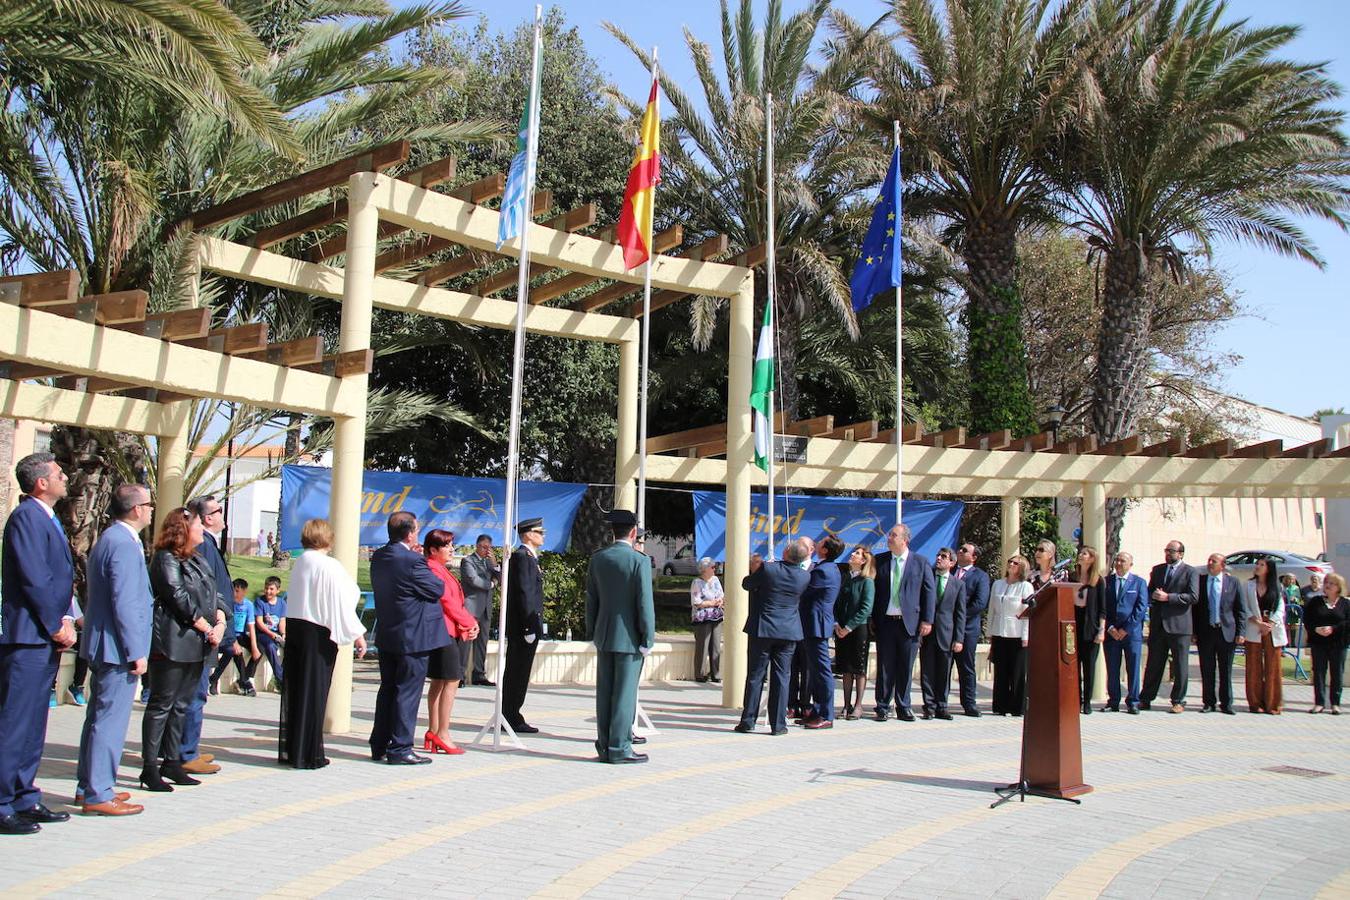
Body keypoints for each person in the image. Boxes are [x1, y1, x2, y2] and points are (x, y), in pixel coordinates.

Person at [0, 453, 77, 835]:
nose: (66, 478)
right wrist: (55, 624)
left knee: (34, 723)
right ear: (41, 482)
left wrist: (65, 619)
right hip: (28, 636)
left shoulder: (47, 517)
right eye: (59, 474)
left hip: (42, 636)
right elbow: (34, 578)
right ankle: (2, 802)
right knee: (15, 723)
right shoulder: (27, 517)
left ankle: (24, 796)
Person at [75, 484, 155, 816]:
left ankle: (91, 785)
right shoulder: (121, 543)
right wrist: (136, 650)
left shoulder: (114, 538)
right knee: (109, 720)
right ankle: (98, 791)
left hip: (107, 643)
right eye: (149, 504)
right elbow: (124, 601)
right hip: (116, 647)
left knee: (98, 718)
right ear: (136, 509)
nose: (152, 510)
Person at [141, 507, 224, 792]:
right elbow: (176, 596)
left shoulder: (197, 559)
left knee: (181, 705)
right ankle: (150, 767)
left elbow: (215, 594)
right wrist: (204, 625)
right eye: (198, 524)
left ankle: (173, 762)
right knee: (161, 705)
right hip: (173, 642)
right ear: (184, 529)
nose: (202, 529)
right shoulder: (166, 558)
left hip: (197, 643)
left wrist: (221, 619)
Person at [279, 518, 367, 768]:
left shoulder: (301, 562)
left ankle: (295, 748)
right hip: (317, 632)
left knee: (297, 691)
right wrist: (358, 634)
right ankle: (309, 753)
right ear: (328, 539)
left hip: (297, 628)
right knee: (315, 692)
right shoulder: (329, 565)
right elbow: (344, 599)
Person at [369, 511, 449, 764]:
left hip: (388, 633)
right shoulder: (412, 561)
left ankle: (380, 744)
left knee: (388, 690)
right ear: (410, 533)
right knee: (408, 692)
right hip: (412, 636)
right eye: (415, 529)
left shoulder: (380, 556)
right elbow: (437, 588)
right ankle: (401, 747)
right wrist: (419, 561)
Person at [586, 509, 656, 764]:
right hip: (629, 638)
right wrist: (648, 637)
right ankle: (620, 747)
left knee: (604, 693)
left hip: (604, 635)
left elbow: (591, 600)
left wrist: (592, 631)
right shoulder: (640, 561)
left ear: (612, 531)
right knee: (625, 695)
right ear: (633, 532)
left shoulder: (599, 558)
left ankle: (604, 745)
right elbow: (644, 603)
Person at [178, 494, 233, 776]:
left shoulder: (209, 545)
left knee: (196, 693)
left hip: (212, 628)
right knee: (194, 693)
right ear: (207, 517)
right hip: (204, 633)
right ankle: (186, 751)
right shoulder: (205, 548)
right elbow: (208, 591)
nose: (223, 514)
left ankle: (189, 747)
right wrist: (217, 626)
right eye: (218, 510)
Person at [734, 538, 810, 735]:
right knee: (782, 677)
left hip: (764, 629)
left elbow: (747, 584)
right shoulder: (804, 576)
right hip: (788, 631)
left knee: (755, 676)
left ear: (785, 553)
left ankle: (748, 720)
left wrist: (756, 569)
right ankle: (778, 724)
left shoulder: (769, 569)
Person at [871, 523, 935, 722]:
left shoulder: (920, 562)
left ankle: (903, 706)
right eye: (890, 535)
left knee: (906, 666)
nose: (889, 538)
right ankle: (882, 706)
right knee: (885, 666)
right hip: (886, 622)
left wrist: (927, 620)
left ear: (905, 540)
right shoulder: (879, 561)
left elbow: (929, 592)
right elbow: (873, 591)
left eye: (894, 535)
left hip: (910, 623)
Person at [423, 529, 478, 755]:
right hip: (443, 630)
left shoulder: (440, 569)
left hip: (446, 630)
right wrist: (469, 622)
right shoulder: (432, 569)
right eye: (446, 546)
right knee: (451, 679)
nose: (451, 549)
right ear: (433, 550)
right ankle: (442, 732)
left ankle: (434, 730)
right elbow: (447, 602)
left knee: (439, 680)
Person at [1139, 540, 1199, 713]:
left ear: (1180, 554)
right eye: (1166, 550)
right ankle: (1146, 698)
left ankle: (1178, 700)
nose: (1167, 554)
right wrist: (1154, 596)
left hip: (1180, 626)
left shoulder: (1190, 572)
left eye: (1171, 551)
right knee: (1154, 664)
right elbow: (1149, 592)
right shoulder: (1158, 570)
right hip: (1158, 625)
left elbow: (1193, 597)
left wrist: (1168, 597)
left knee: (1180, 665)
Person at [503, 517, 546, 734]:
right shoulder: (523, 557)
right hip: (523, 628)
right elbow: (525, 593)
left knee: (519, 672)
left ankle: (511, 713)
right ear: (528, 534)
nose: (543, 535)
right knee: (517, 673)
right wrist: (530, 626)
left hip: (526, 626)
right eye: (539, 532)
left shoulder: (528, 557)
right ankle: (511, 716)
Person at [799, 535, 843, 729]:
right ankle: (817, 711)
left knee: (823, 671)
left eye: (821, 543)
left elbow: (804, 591)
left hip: (817, 625)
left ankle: (826, 714)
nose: (817, 544)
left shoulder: (824, 571)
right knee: (816, 671)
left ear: (825, 550)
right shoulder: (825, 567)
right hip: (813, 624)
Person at [919, 547, 967, 721]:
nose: (939, 559)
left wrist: (959, 638)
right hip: (928, 633)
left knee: (944, 672)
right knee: (927, 671)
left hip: (946, 634)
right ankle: (929, 706)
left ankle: (942, 706)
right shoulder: (928, 578)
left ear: (952, 563)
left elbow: (960, 614)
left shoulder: (958, 584)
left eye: (944, 557)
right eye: (938, 555)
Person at [1193, 552, 1242, 715]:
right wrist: (1194, 631)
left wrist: (1241, 632)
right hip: (1206, 632)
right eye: (1209, 560)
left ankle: (1226, 703)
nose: (1210, 563)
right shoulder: (1200, 581)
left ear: (1222, 565)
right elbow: (1195, 610)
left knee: (1225, 669)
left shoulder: (1232, 582)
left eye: (1214, 561)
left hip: (1226, 631)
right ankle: (1208, 702)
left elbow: (1239, 609)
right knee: (1207, 669)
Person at [1102, 551, 1149, 714]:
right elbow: (1103, 608)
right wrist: (1110, 628)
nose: (1119, 563)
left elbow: (1141, 608)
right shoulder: (1107, 582)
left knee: (1133, 668)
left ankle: (1133, 701)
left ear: (1130, 564)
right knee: (1112, 668)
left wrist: (1125, 629)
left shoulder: (1139, 582)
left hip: (1132, 634)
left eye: (1123, 561)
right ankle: (1113, 701)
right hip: (1111, 632)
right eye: (1117, 560)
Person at [988, 555, 1034, 716]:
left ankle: (1017, 706)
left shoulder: (1025, 586)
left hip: (1017, 634)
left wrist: (1025, 636)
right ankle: (1000, 705)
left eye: (1015, 563)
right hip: (1000, 632)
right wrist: (990, 632)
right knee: (1001, 671)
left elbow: (1027, 613)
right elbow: (992, 609)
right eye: (1010, 562)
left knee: (1017, 672)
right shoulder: (998, 584)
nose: (1011, 565)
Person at [833, 546, 875, 720]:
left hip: (858, 630)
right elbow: (836, 603)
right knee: (845, 668)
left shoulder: (867, 581)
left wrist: (849, 627)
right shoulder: (845, 578)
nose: (852, 555)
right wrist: (837, 624)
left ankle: (858, 705)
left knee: (858, 668)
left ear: (864, 560)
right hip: (841, 629)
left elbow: (866, 608)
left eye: (857, 554)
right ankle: (846, 704)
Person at [1241, 557, 1287, 714]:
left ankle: (1273, 703)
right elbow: (1245, 607)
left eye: (1262, 565)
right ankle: (1255, 703)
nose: (1258, 567)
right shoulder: (1249, 585)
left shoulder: (1277, 586)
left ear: (1269, 569)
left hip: (1272, 627)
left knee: (1273, 666)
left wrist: (1271, 623)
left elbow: (1281, 608)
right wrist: (1258, 623)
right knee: (1253, 666)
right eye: (1257, 564)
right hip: (1255, 625)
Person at [951, 542, 991, 718]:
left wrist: (958, 616)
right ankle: (940, 703)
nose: (960, 551)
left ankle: (969, 704)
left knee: (966, 667)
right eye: (960, 549)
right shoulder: (949, 572)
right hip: (946, 628)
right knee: (943, 668)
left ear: (974, 557)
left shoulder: (980, 576)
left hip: (967, 629)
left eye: (965, 550)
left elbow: (980, 603)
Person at [459, 534, 500, 687]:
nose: (486, 550)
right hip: (471, 607)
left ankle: (479, 674)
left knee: (482, 642)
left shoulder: (489, 563)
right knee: (466, 642)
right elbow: (473, 580)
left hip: (485, 608)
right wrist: (491, 584)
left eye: (489, 547)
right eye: (483, 547)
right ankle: (460, 674)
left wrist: (495, 563)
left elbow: (500, 578)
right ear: (477, 545)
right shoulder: (468, 561)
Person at [210, 578, 260, 696]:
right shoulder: (227, 603)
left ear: (244, 591)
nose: (234, 594)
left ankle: (245, 678)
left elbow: (251, 627)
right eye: (233, 590)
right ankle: (242, 682)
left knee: (260, 649)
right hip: (227, 636)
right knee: (234, 651)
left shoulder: (248, 605)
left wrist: (254, 647)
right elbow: (225, 626)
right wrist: (233, 642)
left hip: (240, 635)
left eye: (238, 591)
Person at [1305, 573, 1347, 714]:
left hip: (1338, 643)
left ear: (1339, 587)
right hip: (1319, 642)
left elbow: (1347, 623)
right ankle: (1319, 703)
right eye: (1327, 582)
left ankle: (1335, 703)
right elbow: (1308, 619)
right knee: (1319, 671)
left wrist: (1333, 629)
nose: (1328, 585)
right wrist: (1316, 629)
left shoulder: (1345, 603)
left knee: (1337, 673)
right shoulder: (1316, 601)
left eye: (1332, 583)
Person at [1072, 547, 1105, 715]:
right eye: (1081, 553)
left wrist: (1101, 631)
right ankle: (1075, 699)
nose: (1080, 555)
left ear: (1092, 559)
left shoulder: (1098, 581)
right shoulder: (1072, 577)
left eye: (1085, 553)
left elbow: (1102, 609)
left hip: (1090, 627)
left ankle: (1087, 702)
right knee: (1074, 665)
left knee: (1089, 666)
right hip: (1073, 625)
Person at [690, 558, 724, 683]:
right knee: (702, 645)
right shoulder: (697, 582)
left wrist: (720, 600)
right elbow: (696, 601)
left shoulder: (715, 580)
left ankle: (716, 674)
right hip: (702, 617)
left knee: (715, 645)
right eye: (712, 567)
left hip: (716, 615)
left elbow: (721, 594)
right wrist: (711, 603)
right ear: (704, 569)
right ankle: (700, 673)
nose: (715, 569)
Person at [254, 576, 286, 689]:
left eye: (271, 589)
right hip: (263, 634)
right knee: (271, 647)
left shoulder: (282, 603)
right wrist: (272, 635)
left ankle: (287, 675)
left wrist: (283, 634)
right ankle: (281, 679)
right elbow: (259, 623)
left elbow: (282, 621)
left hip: (276, 634)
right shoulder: (260, 601)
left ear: (278, 590)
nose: (268, 591)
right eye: (266, 588)